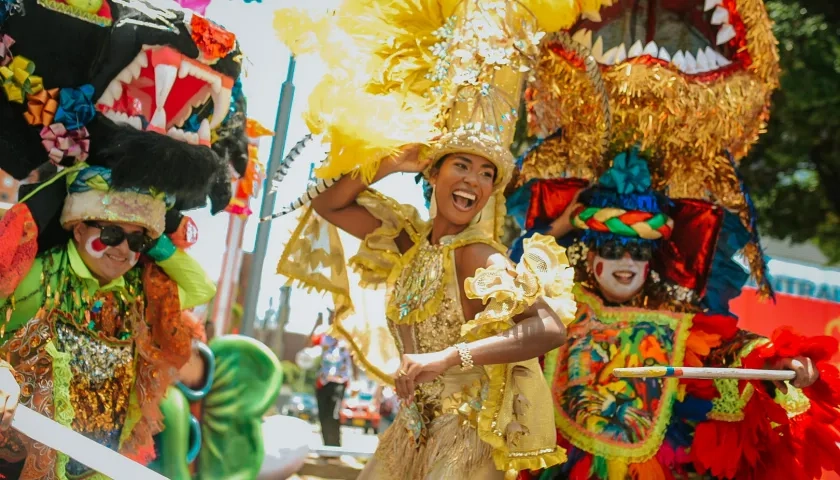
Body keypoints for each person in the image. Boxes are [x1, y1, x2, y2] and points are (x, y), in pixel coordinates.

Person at [273, 2, 600, 478]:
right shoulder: (408, 241)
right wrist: (391, 160)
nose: (473, 180)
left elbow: (547, 328)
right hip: (409, 431)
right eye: (461, 164)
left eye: (487, 172)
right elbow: (328, 203)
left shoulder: (477, 255)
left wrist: (450, 356)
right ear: (435, 173)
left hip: (464, 442)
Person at [508, 150, 840, 479]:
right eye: (612, 250)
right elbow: (510, 277)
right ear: (589, 253)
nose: (626, 262)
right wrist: (562, 225)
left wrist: (777, 361)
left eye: (637, 252)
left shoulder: (673, 315)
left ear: (650, 260)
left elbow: (727, 348)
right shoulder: (560, 302)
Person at [311, 310, 355, 447]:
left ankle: (335, 447)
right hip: (323, 381)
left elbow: (354, 359)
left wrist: (356, 381)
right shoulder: (324, 335)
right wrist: (315, 326)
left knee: (334, 414)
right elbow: (308, 345)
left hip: (340, 381)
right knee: (323, 415)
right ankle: (326, 447)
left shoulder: (348, 337)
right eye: (331, 316)